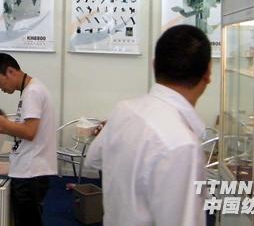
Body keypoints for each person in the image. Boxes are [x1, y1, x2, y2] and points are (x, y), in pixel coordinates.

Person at [86, 24, 211, 226]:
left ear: (154, 65)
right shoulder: (182, 144)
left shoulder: (124, 109)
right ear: (208, 73)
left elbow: (93, 160)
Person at [0, 53, 57, 226]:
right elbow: (24, 129)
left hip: (30, 173)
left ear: (10, 71)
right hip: (28, 170)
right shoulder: (30, 90)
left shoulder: (32, 92)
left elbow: (29, 132)